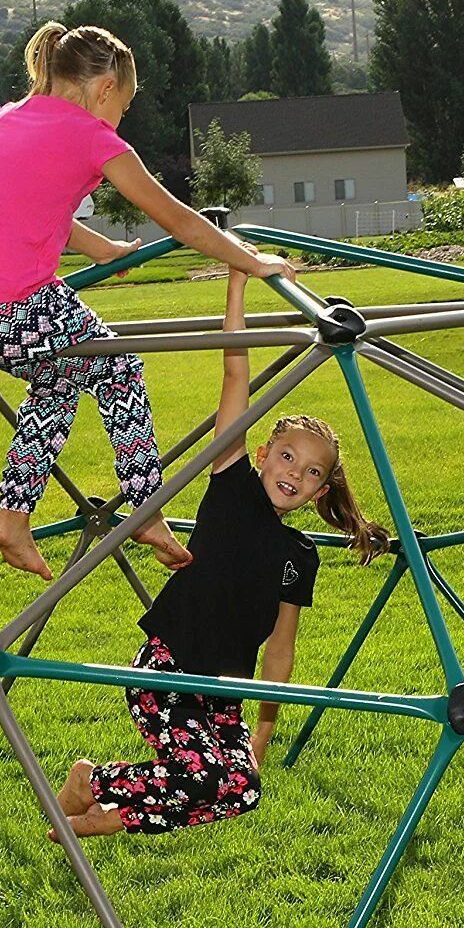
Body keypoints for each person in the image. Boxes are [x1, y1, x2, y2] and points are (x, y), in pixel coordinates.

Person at [0, 20, 298, 580]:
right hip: (0, 309)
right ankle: (147, 511)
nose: (120, 120)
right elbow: (175, 217)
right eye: (123, 107)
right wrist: (248, 259)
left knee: (62, 379)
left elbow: (28, 206)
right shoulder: (89, 135)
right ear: (103, 91)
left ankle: (13, 517)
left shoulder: (12, 117)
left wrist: (100, 248)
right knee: (117, 364)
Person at [51, 267, 390, 839]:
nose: (294, 474)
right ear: (261, 453)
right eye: (286, 457)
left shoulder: (300, 555)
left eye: (311, 472)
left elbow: (280, 649)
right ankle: (101, 801)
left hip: (229, 691)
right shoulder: (231, 489)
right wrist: (237, 285)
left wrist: (263, 728)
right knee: (201, 774)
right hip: (170, 668)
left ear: (322, 490)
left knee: (243, 789)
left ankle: (97, 787)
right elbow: (236, 372)